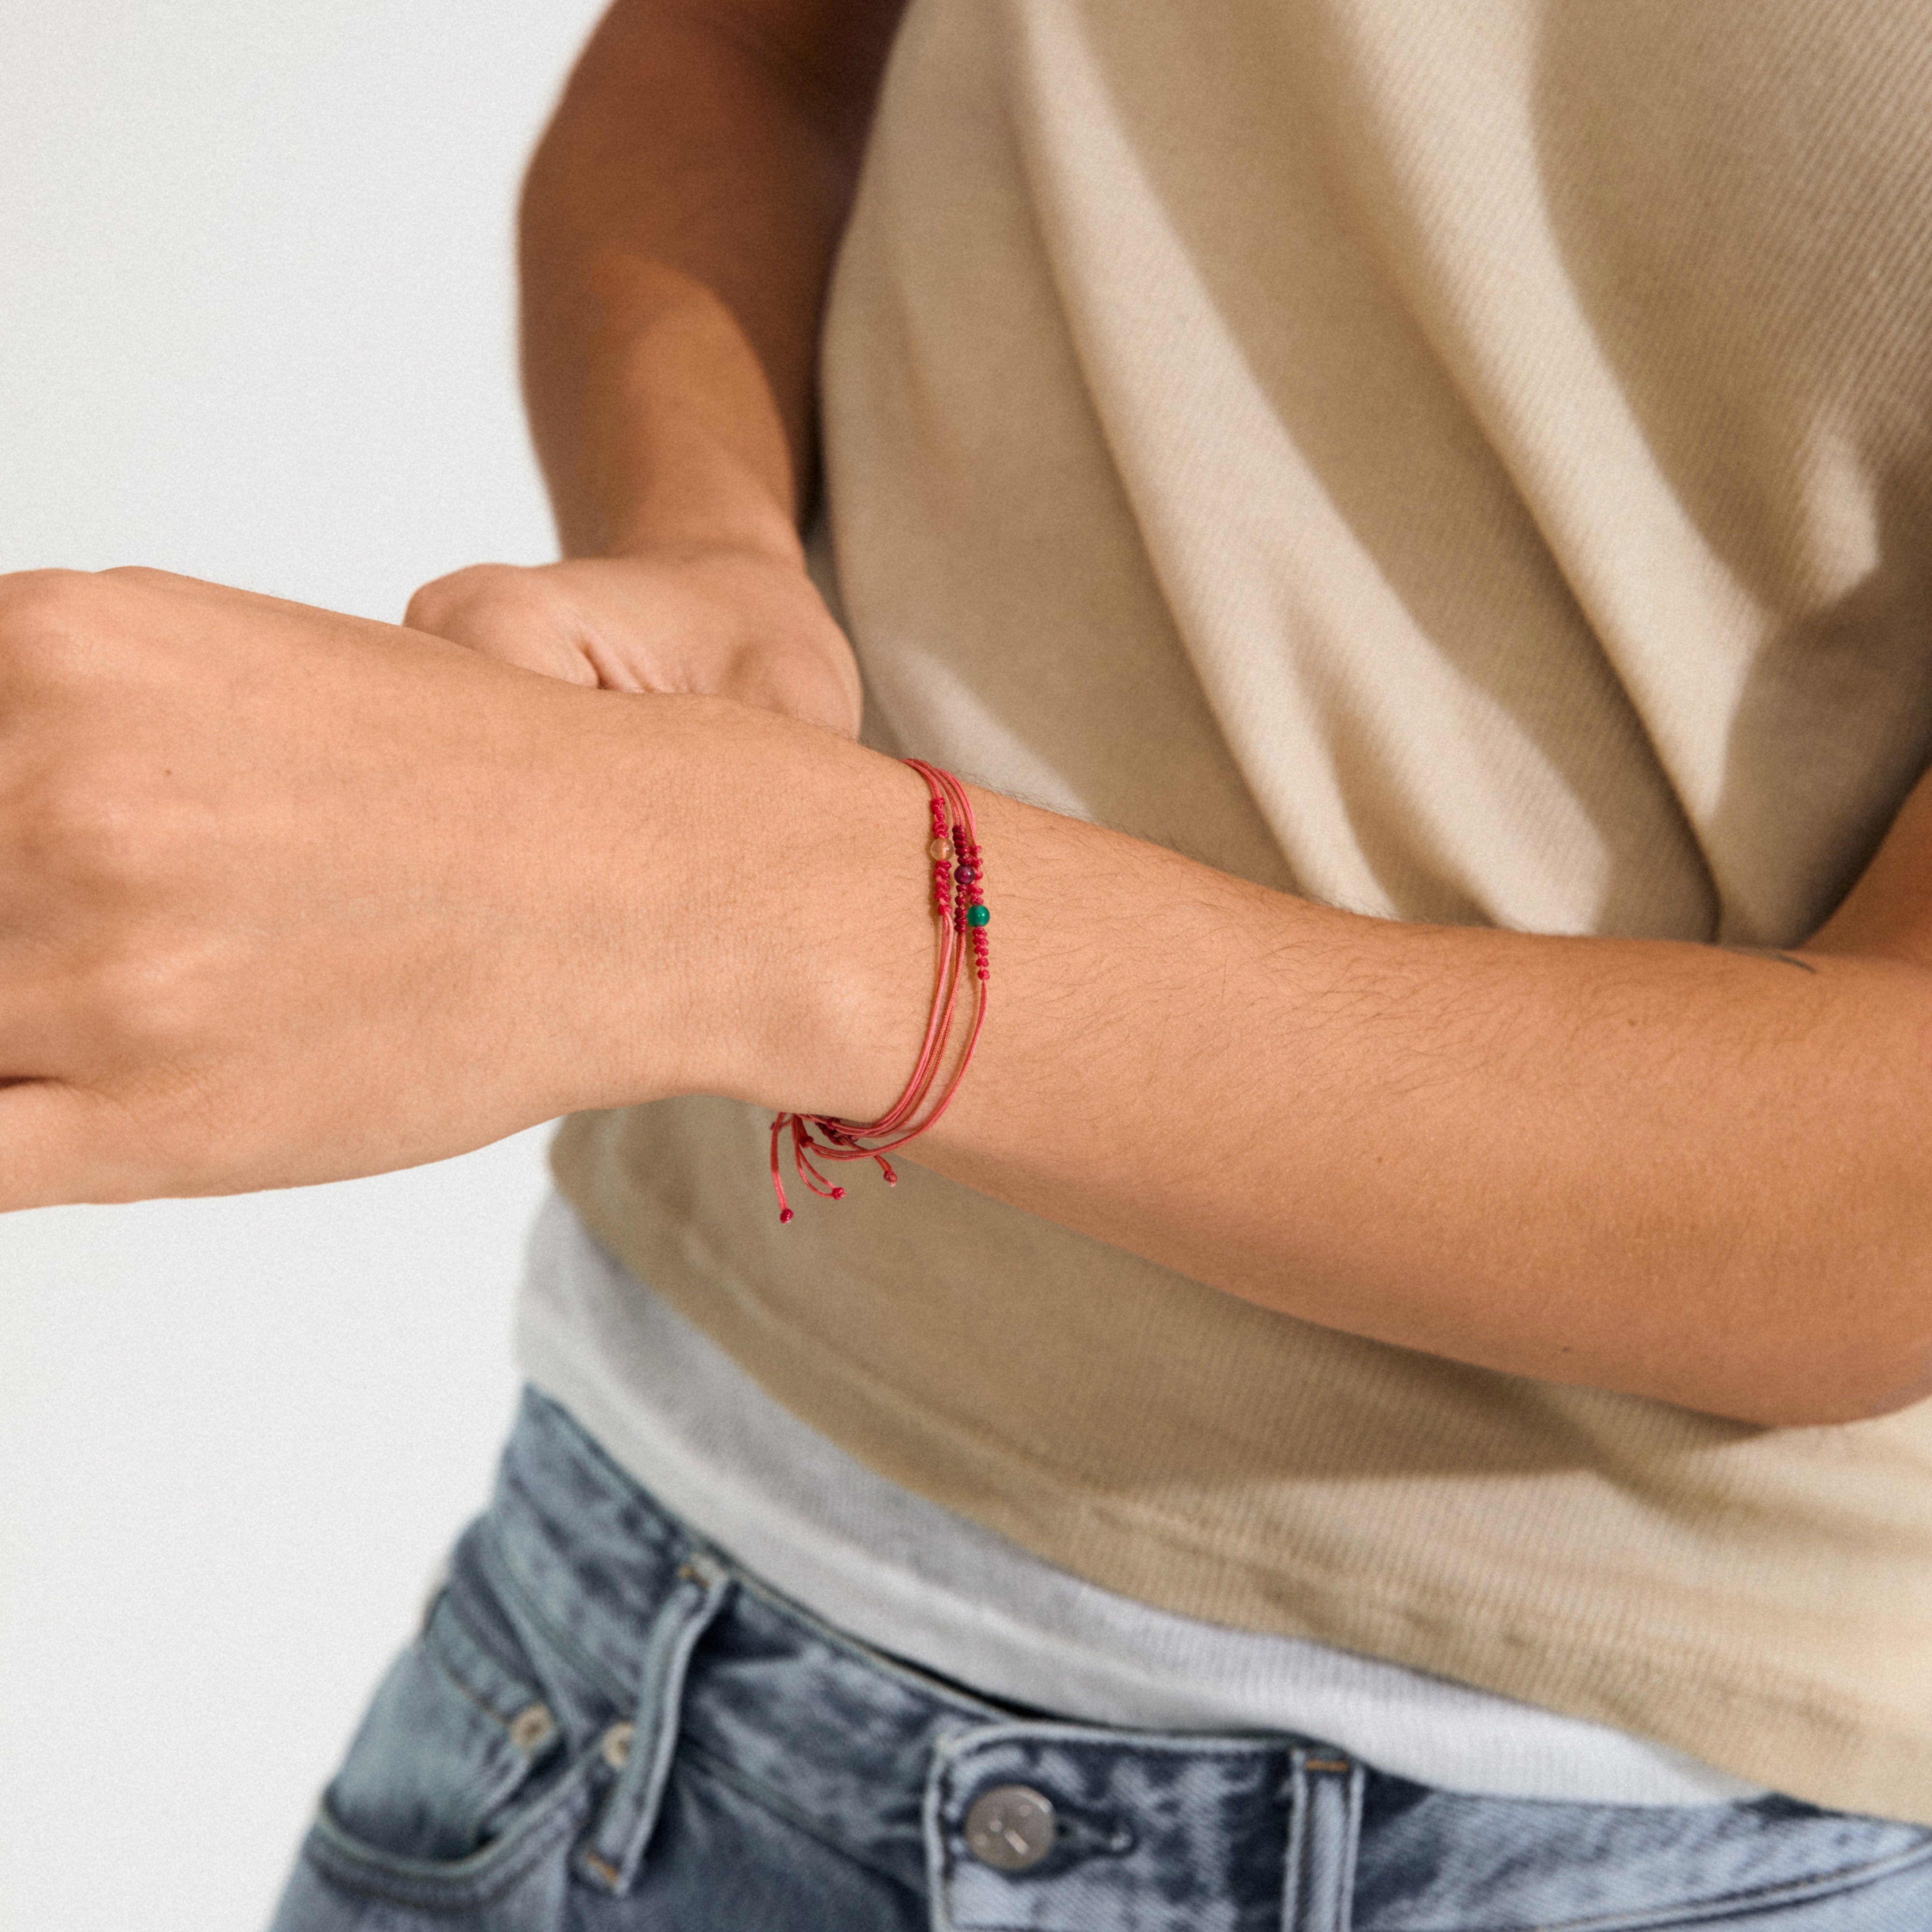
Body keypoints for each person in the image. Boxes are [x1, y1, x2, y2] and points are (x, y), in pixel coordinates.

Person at [4, 0, 1932, 1922]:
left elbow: (1883, 1185)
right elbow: (741, 55)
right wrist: (708, 553)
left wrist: (736, 896)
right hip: (611, 1635)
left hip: (1592, 1843)